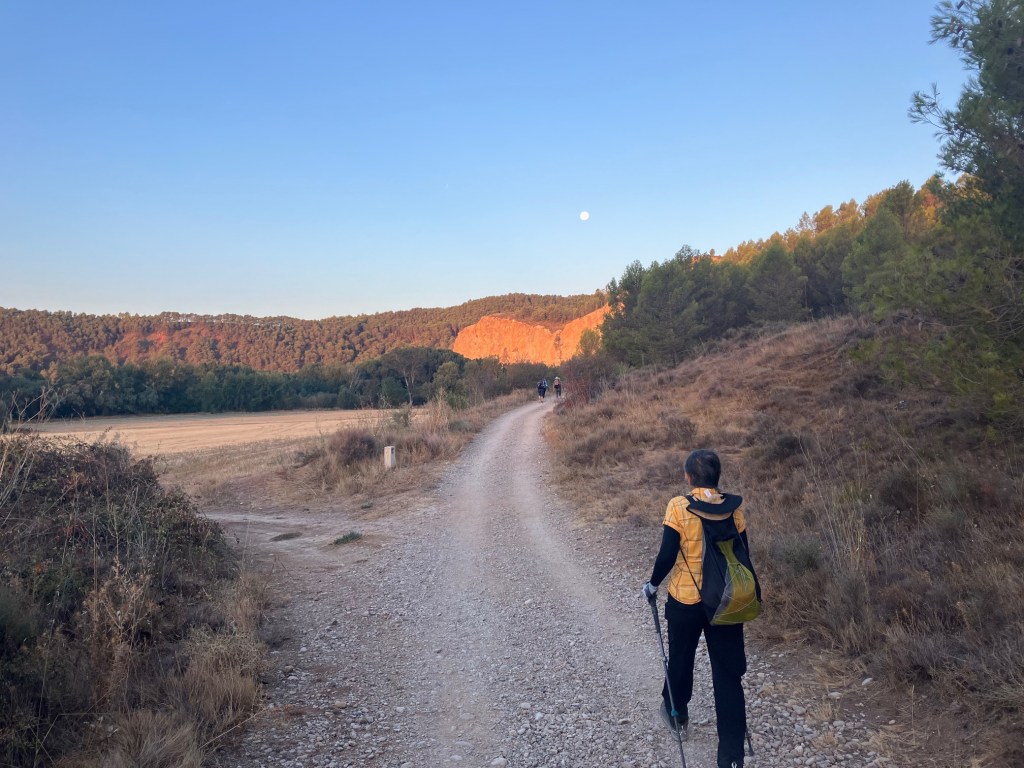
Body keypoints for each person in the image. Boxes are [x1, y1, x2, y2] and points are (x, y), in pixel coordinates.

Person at [642, 449, 751, 768]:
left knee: (680, 658)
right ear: (717, 477)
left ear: (689, 477)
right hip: (726, 602)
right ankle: (731, 758)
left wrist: (652, 585)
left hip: (686, 601)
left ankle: (677, 715)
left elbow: (667, 555)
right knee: (728, 675)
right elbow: (743, 555)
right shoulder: (734, 509)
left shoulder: (678, 506)